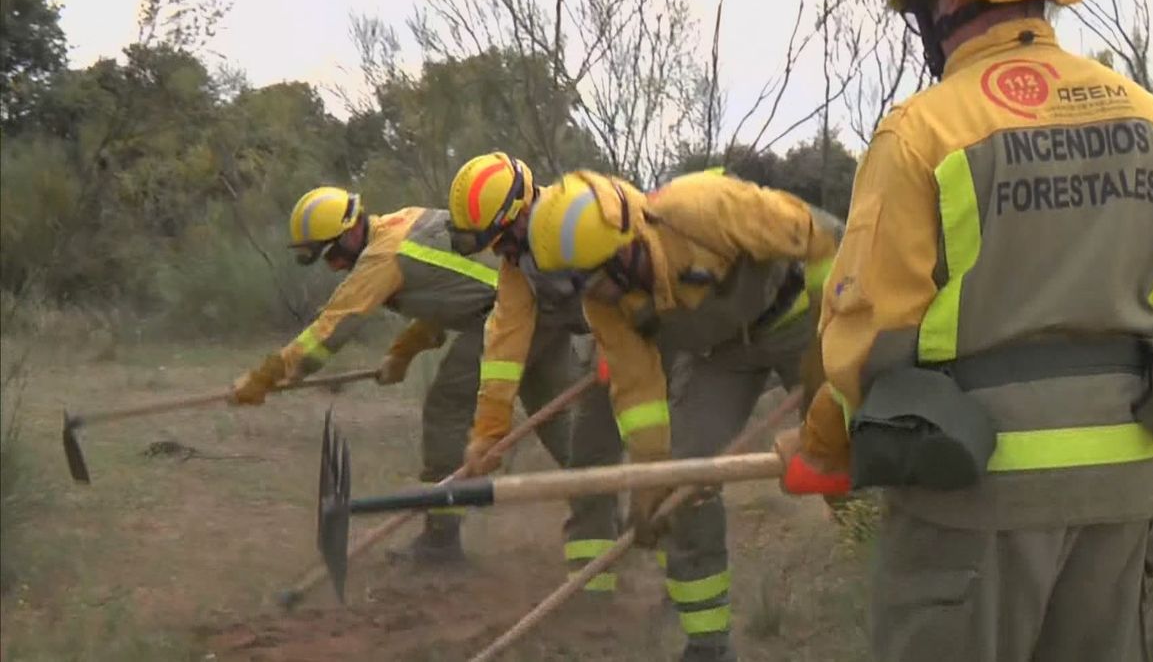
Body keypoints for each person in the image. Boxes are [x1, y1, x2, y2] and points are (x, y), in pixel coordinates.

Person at [773, 0, 1153, 662]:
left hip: (972, 495)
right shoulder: (1150, 120)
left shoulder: (923, 134)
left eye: (916, 5)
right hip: (1120, 488)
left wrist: (824, 444)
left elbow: (875, 347)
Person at [526, 168, 841, 662]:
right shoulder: (602, 302)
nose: (594, 295)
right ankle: (708, 645)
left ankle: (869, 538)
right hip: (718, 358)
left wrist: (832, 341)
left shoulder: (704, 207)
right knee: (687, 480)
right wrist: (652, 476)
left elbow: (825, 239)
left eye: (594, 278)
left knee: (849, 445)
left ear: (625, 246)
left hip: (798, 321)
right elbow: (638, 389)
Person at [229, 185, 573, 566]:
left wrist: (265, 377)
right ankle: (606, 513)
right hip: (548, 308)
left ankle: (441, 540)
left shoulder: (383, 255)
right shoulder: (403, 222)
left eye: (333, 254)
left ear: (350, 232)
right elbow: (453, 292)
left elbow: (330, 330)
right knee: (562, 420)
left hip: (517, 313)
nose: (335, 266)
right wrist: (404, 351)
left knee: (447, 407)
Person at [445, 151, 625, 597]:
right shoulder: (517, 265)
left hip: (650, 332)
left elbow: (635, 280)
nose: (499, 251)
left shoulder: (588, 214)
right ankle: (595, 594)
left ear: (523, 210)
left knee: (674, 453)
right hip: (601, 341)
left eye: (501, 238)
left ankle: (677, 572)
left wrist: (621, 343)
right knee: (588, 462)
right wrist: (488, 432)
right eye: (491, 243)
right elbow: (505, 345)